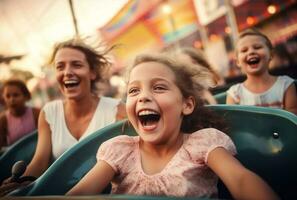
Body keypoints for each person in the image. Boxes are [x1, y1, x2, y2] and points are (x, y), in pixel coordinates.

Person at [67, 53, 279, 200]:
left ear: (186, 105)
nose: (143, 97)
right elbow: (78, 195)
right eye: (133, 91)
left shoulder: (202, 143)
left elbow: (241, 181)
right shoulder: (119, 151)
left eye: (158, 87)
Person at [0, 38, 126, 194]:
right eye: (60, 67)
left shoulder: (117, 110)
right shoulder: (49, 113)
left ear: (92, 73)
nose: (67, 72)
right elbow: (39, 163)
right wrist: (18, 183)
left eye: (77, 65)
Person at [226, 28, 297, 114]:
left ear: (271, 54)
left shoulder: (285, 85)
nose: (251, 52)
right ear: (237, 62)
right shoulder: (234, 94)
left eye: (257, 47)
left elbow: (292, 121)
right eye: (244, 50)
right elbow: (234, 124)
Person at [0, 79, 40, 151]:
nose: (12, 99)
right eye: (8, 96)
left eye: (16, 95)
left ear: (26, 96)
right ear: (3, 98)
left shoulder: (37, 113)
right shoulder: (3, 120)